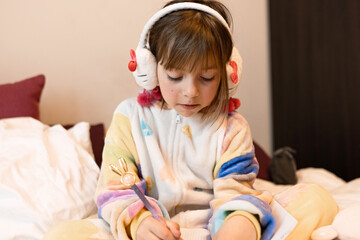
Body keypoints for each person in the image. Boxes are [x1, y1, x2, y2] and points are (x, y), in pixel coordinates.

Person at [45, 1, 338, 239]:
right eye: (175, 76)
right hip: (149, 229)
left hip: (214, 228)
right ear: (149, 67)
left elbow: (236, 193)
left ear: (227, 72)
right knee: (61, 234)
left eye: (207, 77)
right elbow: (114, 190)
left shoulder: (232, 128)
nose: (190, 91)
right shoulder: (129, 118)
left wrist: (239, 224)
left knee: (316, 199)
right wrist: (140, 223)